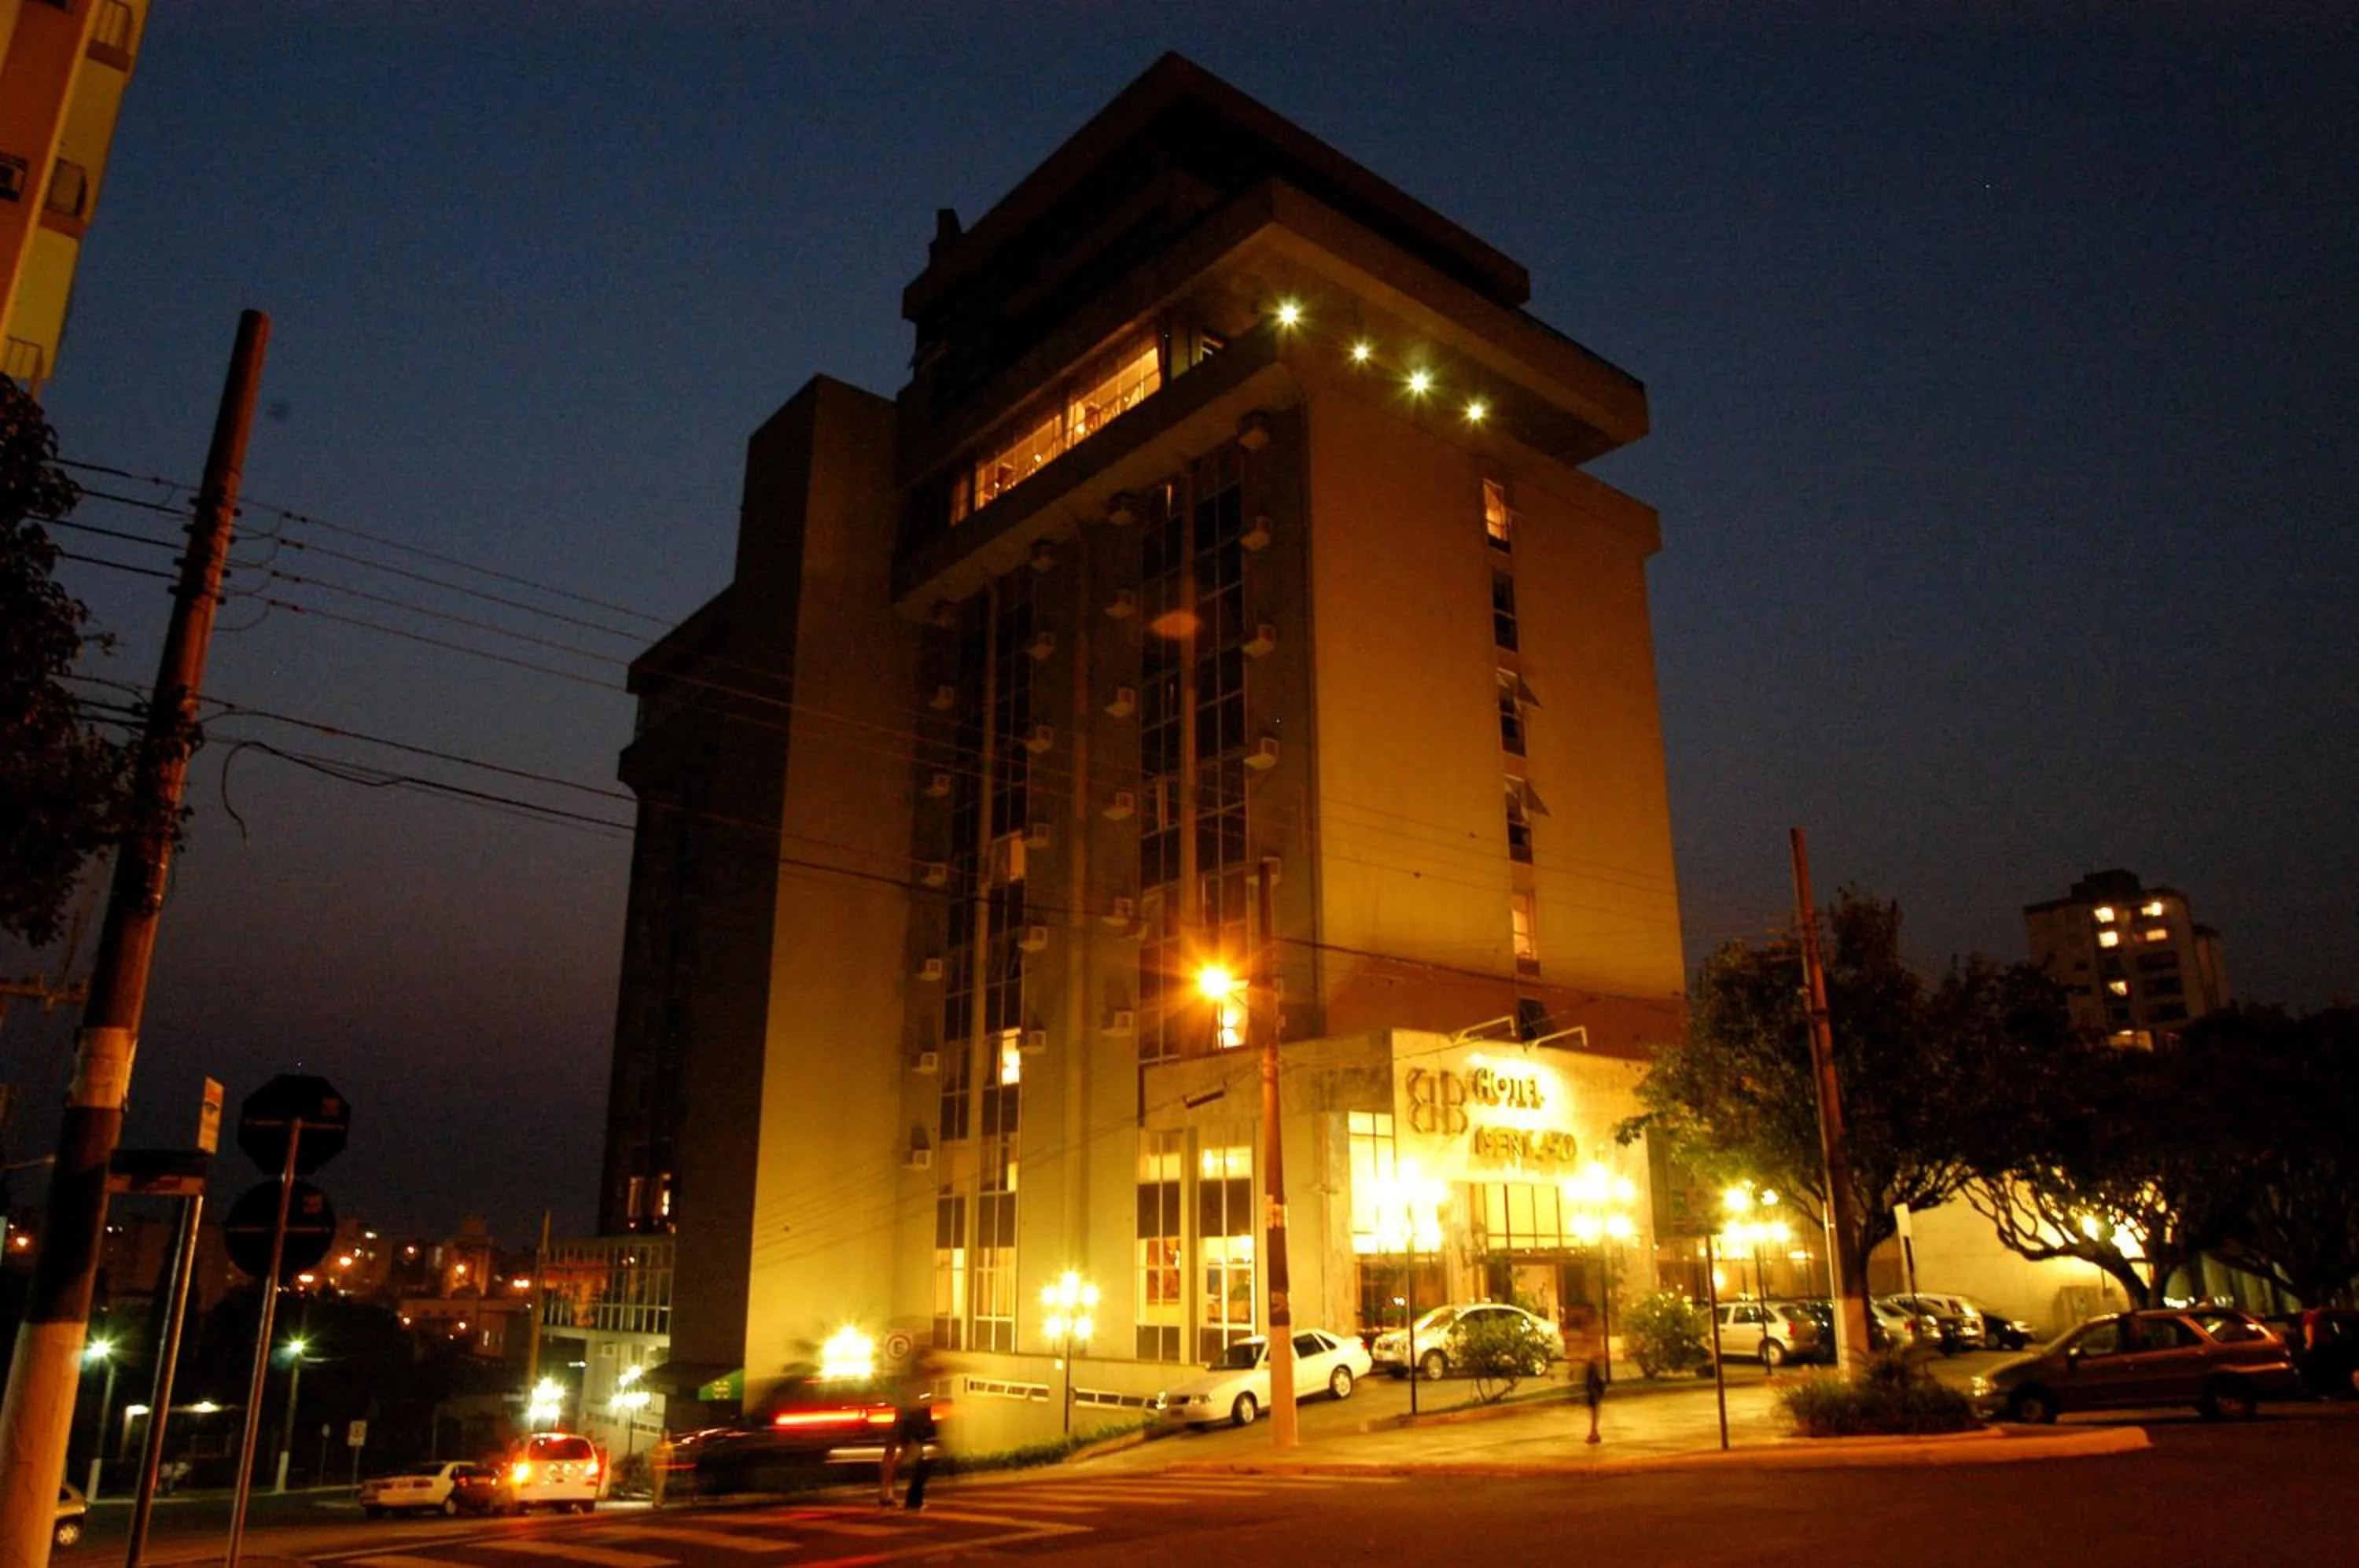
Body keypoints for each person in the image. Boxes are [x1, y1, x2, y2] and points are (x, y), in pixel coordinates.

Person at [878, 1348, 945, 1511]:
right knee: (915, 1453)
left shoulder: (909, 1376)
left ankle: (889, 1492)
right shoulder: (918, 1375)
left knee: (903, 1452)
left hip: (908, 1416)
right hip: (912, 1417)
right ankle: (901, 1495)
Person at [1562, 1305, 1606, 1444]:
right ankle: (1594, 1431)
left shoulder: (1591, 1331)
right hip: (1590, 1369)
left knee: (1593, 1402)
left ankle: (1594, 1431)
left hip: (1592, 1369)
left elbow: (1595, 1351)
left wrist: (1585, 1357)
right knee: (1592, 1402)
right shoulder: (1587, 1332)